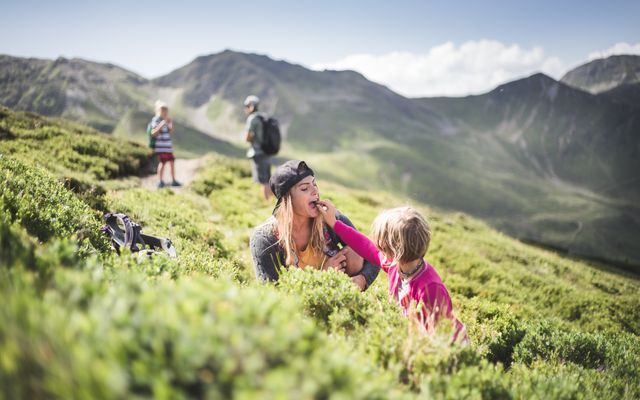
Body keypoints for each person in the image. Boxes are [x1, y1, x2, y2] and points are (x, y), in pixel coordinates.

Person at [318, 201, 467, 342]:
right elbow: (364, 245)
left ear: (393, 251)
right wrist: (335, 224)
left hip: (448, 345)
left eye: (381, 245)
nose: (377, 248)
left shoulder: (430, 288)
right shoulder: (396, 264)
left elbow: (438, 334)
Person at [250, 160, 380, 291]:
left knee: (355, 252)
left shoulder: (329, 218)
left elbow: (373, 253)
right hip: (299, 306)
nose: (315, 191)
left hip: (337, 295)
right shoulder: (264, 238)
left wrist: (362, 280)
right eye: (305, 188)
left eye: (314, 184)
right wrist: (321, 276)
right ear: (287, 199)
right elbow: (273, 294)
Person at [243, 95, 272, 200]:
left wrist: (251, 138)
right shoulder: (264, 116)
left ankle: (266, 202)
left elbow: (247, 137)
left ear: (251, 106)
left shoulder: (252, 119)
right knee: (268, 179)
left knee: (262, 181)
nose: (245, 108)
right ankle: (271, 201)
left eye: (246, 106)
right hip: (267, 152)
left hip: (257, 152)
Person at [149, 100, 181, 188]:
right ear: (159, 111)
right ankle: (160, 181)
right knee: (162, 163)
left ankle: (174, 180)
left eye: (166, 111)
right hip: (161, 147)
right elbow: (153, 132)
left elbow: (169, 132)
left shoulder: (165, 120)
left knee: (172, 162)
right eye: (163, 111)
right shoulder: (156, 120)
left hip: (168, 146)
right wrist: (162, 124)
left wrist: (170, 124)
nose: (165, 113)